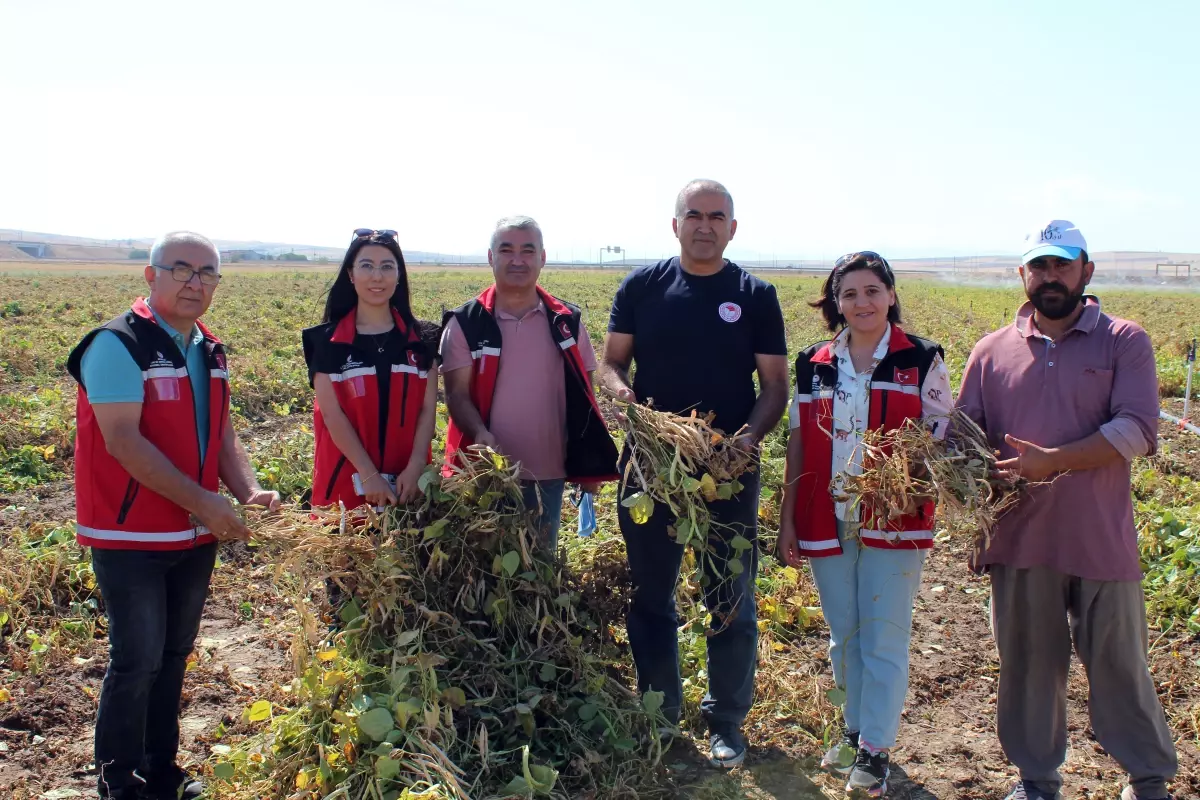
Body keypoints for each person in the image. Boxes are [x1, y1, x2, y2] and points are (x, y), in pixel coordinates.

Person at [956, 221, 1177, 800]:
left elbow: (1136, 429)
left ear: (1086, 271)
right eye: (1039, 266)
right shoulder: (990, 351)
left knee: (1120, 666)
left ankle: (1149, 779)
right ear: (1022, 274)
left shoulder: (1123, 340)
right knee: (1029, 667)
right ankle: (1037, 780)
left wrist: (1053, 461)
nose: (1050, 277)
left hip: (1100, 537)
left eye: (1062, 264)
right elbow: (964, 436)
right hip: (1020, 540)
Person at [65, 231, 281, 800]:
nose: (195, 282)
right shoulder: (116, 344)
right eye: (182, 269)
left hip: (193, 530)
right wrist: (206, 502)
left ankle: (162, 770)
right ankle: (120, 781)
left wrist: (247, 489)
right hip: (129, 532)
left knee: (174, 654)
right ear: (150, 275)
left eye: (207, 273)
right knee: (136, 661)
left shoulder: (207, 346)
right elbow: (123, 443)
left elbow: (221, 431)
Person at [598, 179, 789, 768]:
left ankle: (726, 721)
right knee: (651, 593)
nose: (704, 224)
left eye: (717, 216)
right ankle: (661, 716)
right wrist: (628, 403)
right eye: (693, 214)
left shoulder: (754, 295)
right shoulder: (643, 287)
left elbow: (775, 387)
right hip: (652, 467)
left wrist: (747, 441)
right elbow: (610, 363)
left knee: (729, 595)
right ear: (674, 224)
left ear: (733, 227)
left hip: (727, 470)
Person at [776, 251, 953, 797]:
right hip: (826, 516)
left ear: (892, 295)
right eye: (849, 294)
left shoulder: (921, 359)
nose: (862, 302)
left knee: (884, 637)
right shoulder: (814, 362)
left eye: (872, 290)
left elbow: (942, 440)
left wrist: (910, 479)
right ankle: (853, 734)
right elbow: (800, 440)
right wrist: (787, 520)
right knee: (843, 634)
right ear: (836, 303)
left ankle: (876, 751)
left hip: (895, 520)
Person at [440, 215, 619, 552]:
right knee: (481, 566)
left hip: (547, 470)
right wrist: (480, 432)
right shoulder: (466, 323)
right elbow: (457, 395)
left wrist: (590, 464)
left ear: (542, 258)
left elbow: (586, 395)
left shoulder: (566, 322)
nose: (518, 260)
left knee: (539, 564)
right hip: (483, 472)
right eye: (506, 250)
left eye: (528, 250)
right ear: (491, 258)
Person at [301, 229, 439, 512]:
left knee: (408, 551)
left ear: (399, 274)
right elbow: (331, 415)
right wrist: (369, 475)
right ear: (351, 274)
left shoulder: (423, 339)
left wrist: (415, 467)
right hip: (344, 488)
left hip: (409, 487)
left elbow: (427, 410)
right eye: (367, 266)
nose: (377, 276)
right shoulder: (327, 342)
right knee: (347, 555)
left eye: (387, 267)